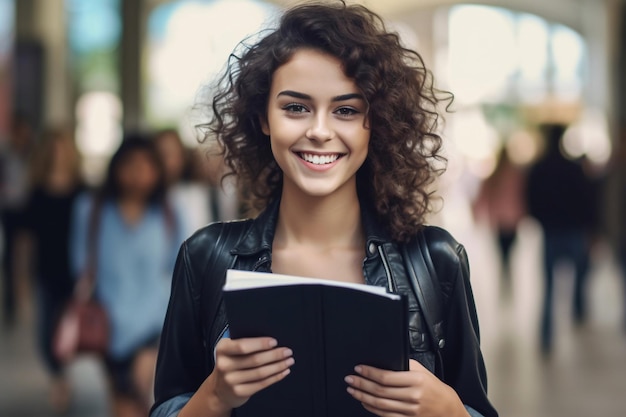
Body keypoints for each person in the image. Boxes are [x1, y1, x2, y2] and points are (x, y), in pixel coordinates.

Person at [151, 2, 497, 417]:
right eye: (295, 107)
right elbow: (168, 404)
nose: (319, 131)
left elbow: (477, 409)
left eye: (346, 110)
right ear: (263, 117)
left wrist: (450, 412)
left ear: (377, 123)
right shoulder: (206, 258)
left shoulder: (435, 262)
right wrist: (213, 398)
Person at [70, 134, 185, 417]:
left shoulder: (170, 212)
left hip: (153, 329)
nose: (138, 173)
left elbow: (179, 273)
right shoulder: (91, 209)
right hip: (104, 328)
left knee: (140, 403)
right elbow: (81, 266)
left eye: (146, 165)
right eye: (130, 164)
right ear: (116, 168)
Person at [22, 127, 84, 412]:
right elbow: (27, 240)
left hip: (74, 271)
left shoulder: (82, 190)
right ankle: (58, 374)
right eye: (54, 149)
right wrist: (20, 279)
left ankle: (63, 379)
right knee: (45, 333)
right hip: (46, 271)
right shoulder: (36, 191)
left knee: (69, 329)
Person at [526, 123, 596, 354]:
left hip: (551, 231)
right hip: (573, 230)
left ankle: (547, 335)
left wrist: (542, 219)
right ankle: (578, 312)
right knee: (580, 274)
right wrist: (589, 228)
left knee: (548, 287)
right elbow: (587, 199)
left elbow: (531, 198)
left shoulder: (539, 168)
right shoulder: (573, 169)